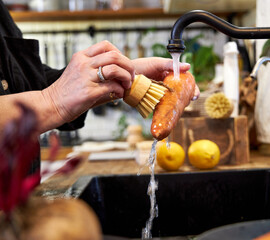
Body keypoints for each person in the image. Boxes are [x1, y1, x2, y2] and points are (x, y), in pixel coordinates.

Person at [0, 0, 199, 172]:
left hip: (20, 202)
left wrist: (123, 74)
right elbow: (47, 95)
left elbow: (35, 85)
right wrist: (53, 100)